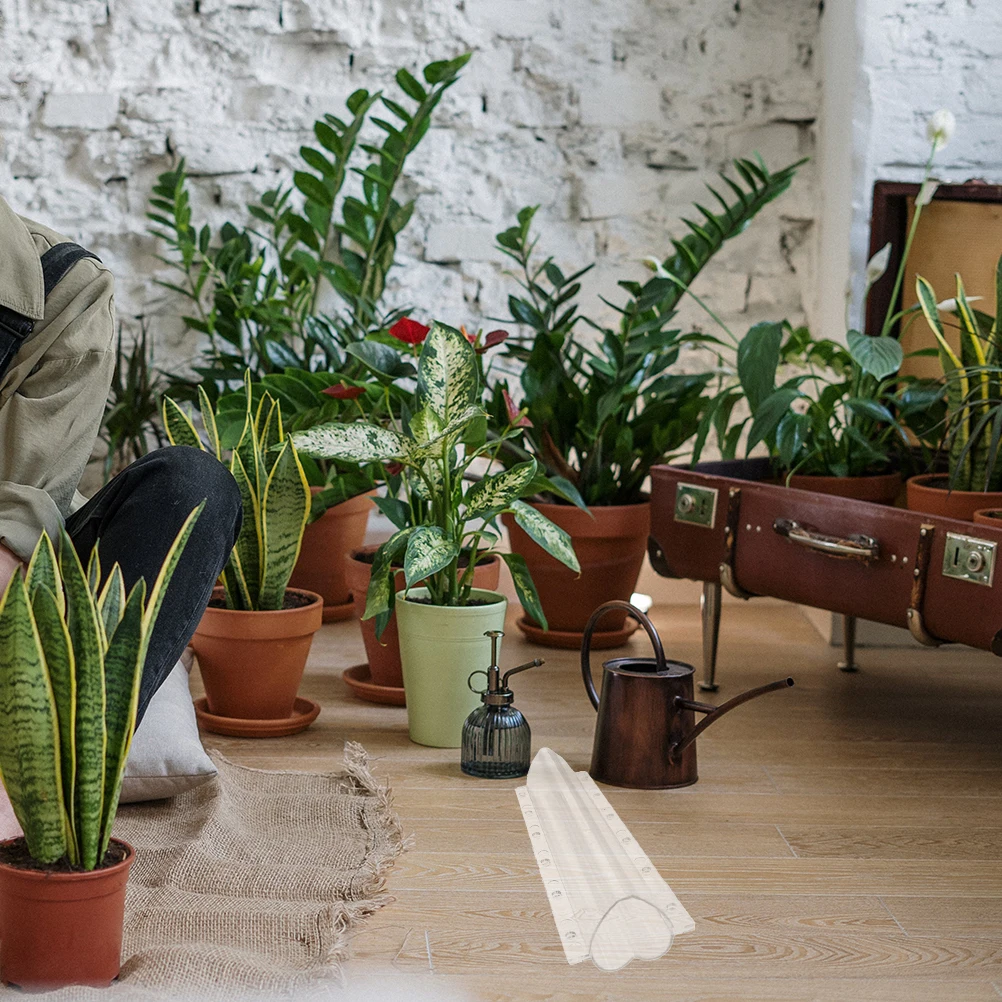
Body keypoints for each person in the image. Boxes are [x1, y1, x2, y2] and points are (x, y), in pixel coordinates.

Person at [0, 195, 241, 726]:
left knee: (192, 488)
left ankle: (66, 762)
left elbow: (15, 522)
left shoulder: (63, 285)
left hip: (16, 590)